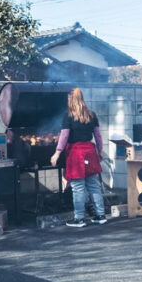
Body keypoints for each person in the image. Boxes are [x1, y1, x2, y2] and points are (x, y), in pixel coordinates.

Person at [50, 87, 107, 228]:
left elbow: (64, 136)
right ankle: (100, 215)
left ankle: (79, 219)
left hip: (76, 153)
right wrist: (100, 151)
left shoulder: (68, 115)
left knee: (78, 187)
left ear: (71, 99)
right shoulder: (92, 115)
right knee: (93, 185)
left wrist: (57, 152)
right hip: (90, 151)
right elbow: (98, 136)